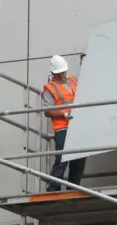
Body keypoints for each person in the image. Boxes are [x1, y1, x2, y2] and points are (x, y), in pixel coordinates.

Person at [42, 55, 86, 192]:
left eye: (64, 71)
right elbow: (47, 110)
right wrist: (63, 114)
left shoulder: (73, 81)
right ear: (54, 73)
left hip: (77, 126)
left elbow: (85, 86)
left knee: (79, 159)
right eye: (60, 72)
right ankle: (53, 189)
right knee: (61, 160)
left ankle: (73, 188)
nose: (63, 74)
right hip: (63, 128)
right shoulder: (50, 88)